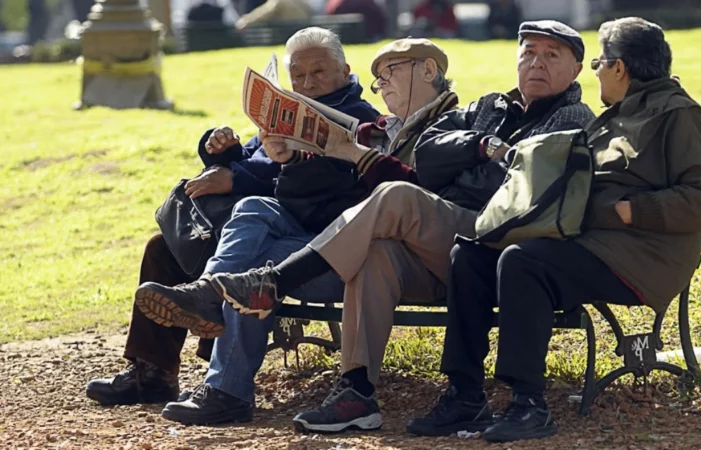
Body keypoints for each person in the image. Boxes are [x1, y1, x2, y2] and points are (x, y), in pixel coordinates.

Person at [136, 20, 595, 433]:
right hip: (433, 241)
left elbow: (502, 184)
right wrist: (481, 148)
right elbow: (434, 160)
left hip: (497, 243)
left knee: (391, 197)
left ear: (576, 68)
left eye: (550, 55)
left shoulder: (570, 117)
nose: (535, 63)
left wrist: (472, 159)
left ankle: (263, 287)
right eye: (528, 53)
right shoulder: (489, 107)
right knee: (345, 243)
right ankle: (355, 391)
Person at [408, 17, 701, 443]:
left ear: (620, 68)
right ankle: (464, 394)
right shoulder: (617, 116)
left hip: (643, 257)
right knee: (471, 253)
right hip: (590, 244)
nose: (595, 71)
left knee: (523, 262)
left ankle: (528, 404)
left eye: (598, 62)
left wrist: (629, 210)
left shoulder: (678, 115)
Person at [133, 37, 458, 426]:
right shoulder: (380, 128)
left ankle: (225, 386)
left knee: (254, 267)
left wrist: (272, 167)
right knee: (245, 216)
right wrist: (231, 155)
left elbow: (389, 199)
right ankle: (203, 309)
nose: (308, 82)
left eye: (390, 73)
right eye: (298, 74)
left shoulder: (428, 124)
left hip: (353, 254)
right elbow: (269, 171)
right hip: (301, 239)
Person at [85, 27, 379, 409]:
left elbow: (314, 184)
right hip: (260, 224)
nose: (308, 83)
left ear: (345, 70)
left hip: (309, 238)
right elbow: (257, 157)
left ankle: (221, 361)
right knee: (164, 249)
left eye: (319, 73)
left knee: (249, 234)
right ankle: (153, 373)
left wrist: (236, 177)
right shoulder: (290, 108)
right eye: (299, 75)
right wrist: (223, 150)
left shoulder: (358, 120)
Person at [235, 0, 312, 31]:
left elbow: (264, 13)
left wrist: (246, 20)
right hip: (300, 34)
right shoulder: (302, 2)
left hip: (284, 35)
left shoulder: (278, 2)